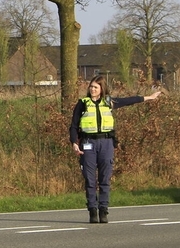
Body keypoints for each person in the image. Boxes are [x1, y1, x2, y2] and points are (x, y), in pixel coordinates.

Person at [69, 76, 162, 223]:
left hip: (106, 143)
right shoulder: (82, 104)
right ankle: (92, 210)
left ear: (102, 89)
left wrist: (148, 98)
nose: (92, 89)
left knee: (104, 179)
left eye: (95, 87)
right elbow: (74, 126)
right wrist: (74, 142)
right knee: (90, 180)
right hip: (88, 143)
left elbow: (128, 100)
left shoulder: (109, 102)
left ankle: (103, 210)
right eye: (91, 87)